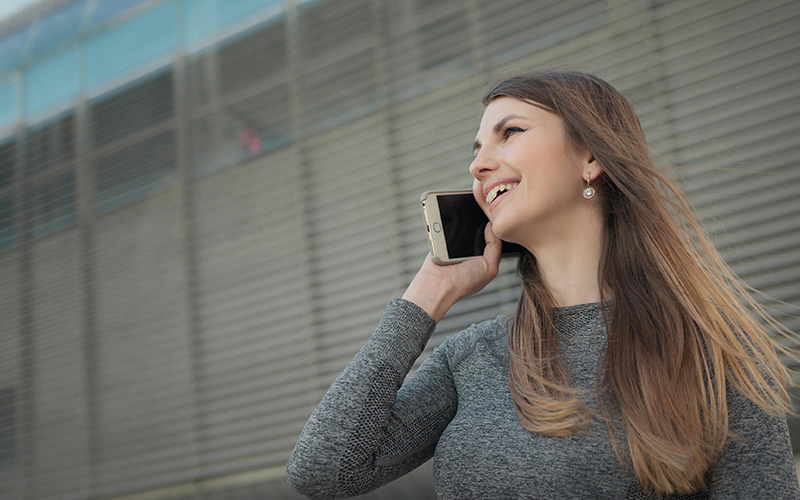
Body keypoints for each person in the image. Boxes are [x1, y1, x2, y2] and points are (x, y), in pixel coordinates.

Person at [285, 70, 800, 499]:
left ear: (591, 159)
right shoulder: (471, 359)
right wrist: (426, 295)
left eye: (510, 132)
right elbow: (323, 471)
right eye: (477, 147)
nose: (478, 163)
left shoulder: (710, 356)